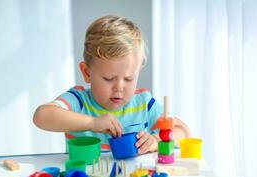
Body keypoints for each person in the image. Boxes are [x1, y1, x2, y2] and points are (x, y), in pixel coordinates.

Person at [33, 15, 190, 154]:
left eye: (128, 79)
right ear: (87, 73)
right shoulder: (79, 101)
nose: (119, 87)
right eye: (108, 78)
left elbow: (183, 131)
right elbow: (41, 116)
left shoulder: (144, 103)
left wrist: (156, 140)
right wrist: (92, 123)